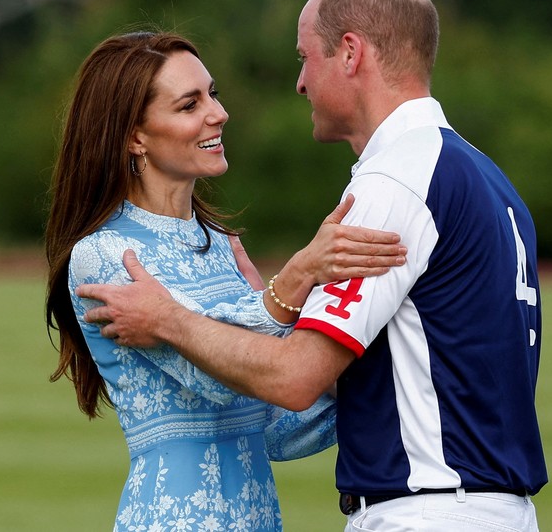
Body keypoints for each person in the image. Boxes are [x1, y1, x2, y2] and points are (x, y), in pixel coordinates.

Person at [78, 0, 547, 532]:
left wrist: (192, 315)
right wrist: (286, 293)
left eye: (305, 57)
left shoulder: (395, 182)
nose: (299, 82)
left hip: (433, 509)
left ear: (350, 54)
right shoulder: (482, 174)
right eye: (189, 103)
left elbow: (287, 385)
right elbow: (274, 401)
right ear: (133, 134)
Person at [44, 31, 407, 531]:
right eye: (190, 104)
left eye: (213, 94)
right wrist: (295, 280)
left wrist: (388, 374)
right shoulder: (102, 255)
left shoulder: (222, 246)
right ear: (135, 136)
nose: (218, 113)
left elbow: (275, 426)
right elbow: (216, 378)